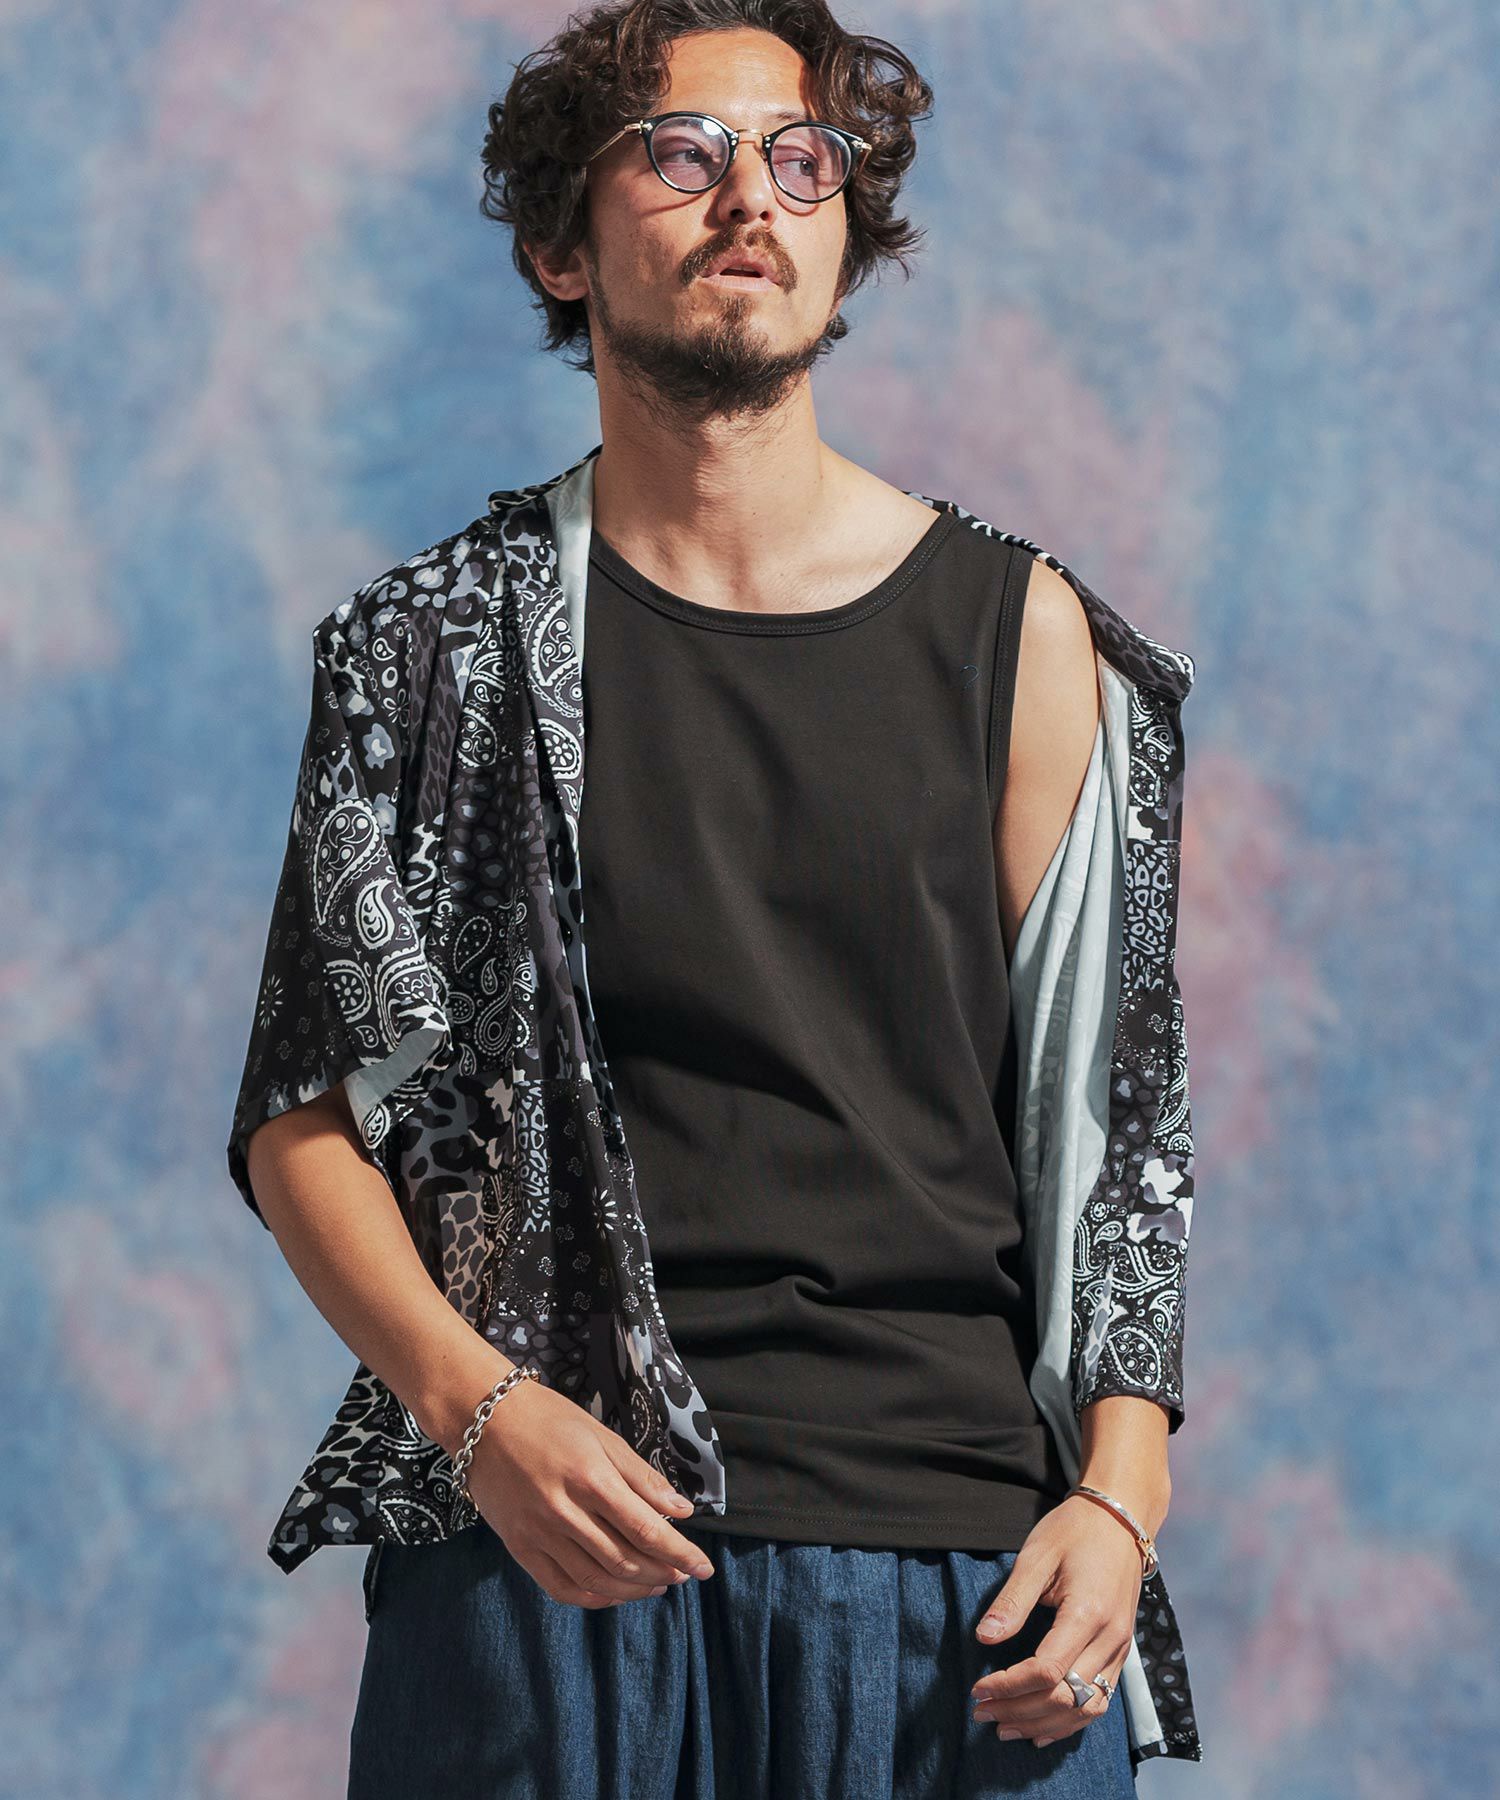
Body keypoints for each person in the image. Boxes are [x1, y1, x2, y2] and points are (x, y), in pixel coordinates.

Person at [228, 3, 1202, 1793]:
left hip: (960, 1579)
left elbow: (1118, 1127)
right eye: (683, 154)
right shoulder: (429, 650)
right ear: (562, 246)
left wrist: (1120, 1499)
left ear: (845, 232)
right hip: (543, 1555)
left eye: (800, 159)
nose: (751, 195)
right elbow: (306, 1118)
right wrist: (477, 1415)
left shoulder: (1028, 640)